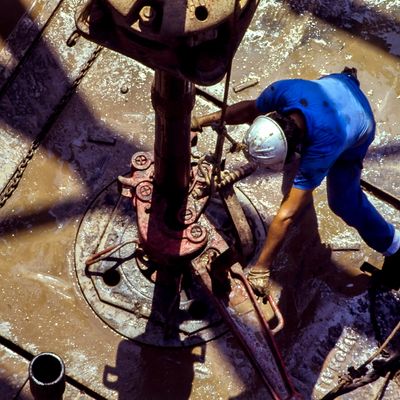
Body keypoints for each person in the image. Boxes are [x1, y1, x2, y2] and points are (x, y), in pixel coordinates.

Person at [192, 67, 400, 296]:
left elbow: (287, 215)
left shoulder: (323, 149)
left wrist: (261, 268)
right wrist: (201, 120)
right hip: (334, 86)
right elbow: (250, 109)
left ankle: (394, 245)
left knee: (343, 201)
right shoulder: (281, 92)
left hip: (357, 119)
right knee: (296, 189)